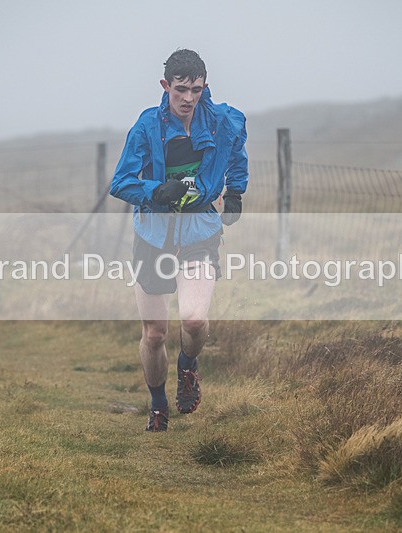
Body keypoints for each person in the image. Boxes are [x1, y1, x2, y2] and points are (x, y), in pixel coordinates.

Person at [109, 49, 248, 432]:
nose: (188, 99)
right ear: (165, 86)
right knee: (155, 333)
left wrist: (235, 192)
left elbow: (236, 152)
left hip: (200, 232)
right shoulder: (146, 127)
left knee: (195, 320)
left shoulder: (223, 122)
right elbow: (120, 183)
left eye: (197, 90)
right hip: (153, 236)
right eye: (181, 90)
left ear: (206, 87)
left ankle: (188, 367)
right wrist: (156, 191)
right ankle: (158, 405)